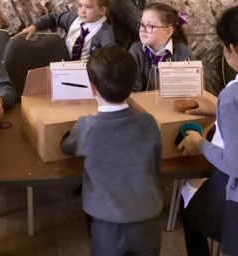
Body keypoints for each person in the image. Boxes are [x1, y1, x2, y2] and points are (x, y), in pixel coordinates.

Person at [177, 4, 238, 256]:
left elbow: (235, 165)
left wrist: (199, 142)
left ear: (234, 49)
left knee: (189, 199)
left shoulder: (235, 95)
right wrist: (218, 111)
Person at [61, 47, 163, 256]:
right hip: (147, 220)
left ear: (92, 89)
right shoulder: (149, 122)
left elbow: (66, 147)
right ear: (133, 85)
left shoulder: (87, 127)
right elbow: (156, 166)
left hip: (107, 225)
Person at [16, 0, 115, 60]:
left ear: (102, 10)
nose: (82, 11)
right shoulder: (73, 18)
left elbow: (111, 54)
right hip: (63, 62)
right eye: (80, 5)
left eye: (88, 7)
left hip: (85, 71)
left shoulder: (104, 32)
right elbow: (53, 17)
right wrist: (34, 27)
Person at [129, 3, 193, 92]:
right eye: (142, 24)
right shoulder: (136, 50)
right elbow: (132, 89)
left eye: (150, 26)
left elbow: (192, 88)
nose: (143, 29)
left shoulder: (182, 51)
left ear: (168, 32)